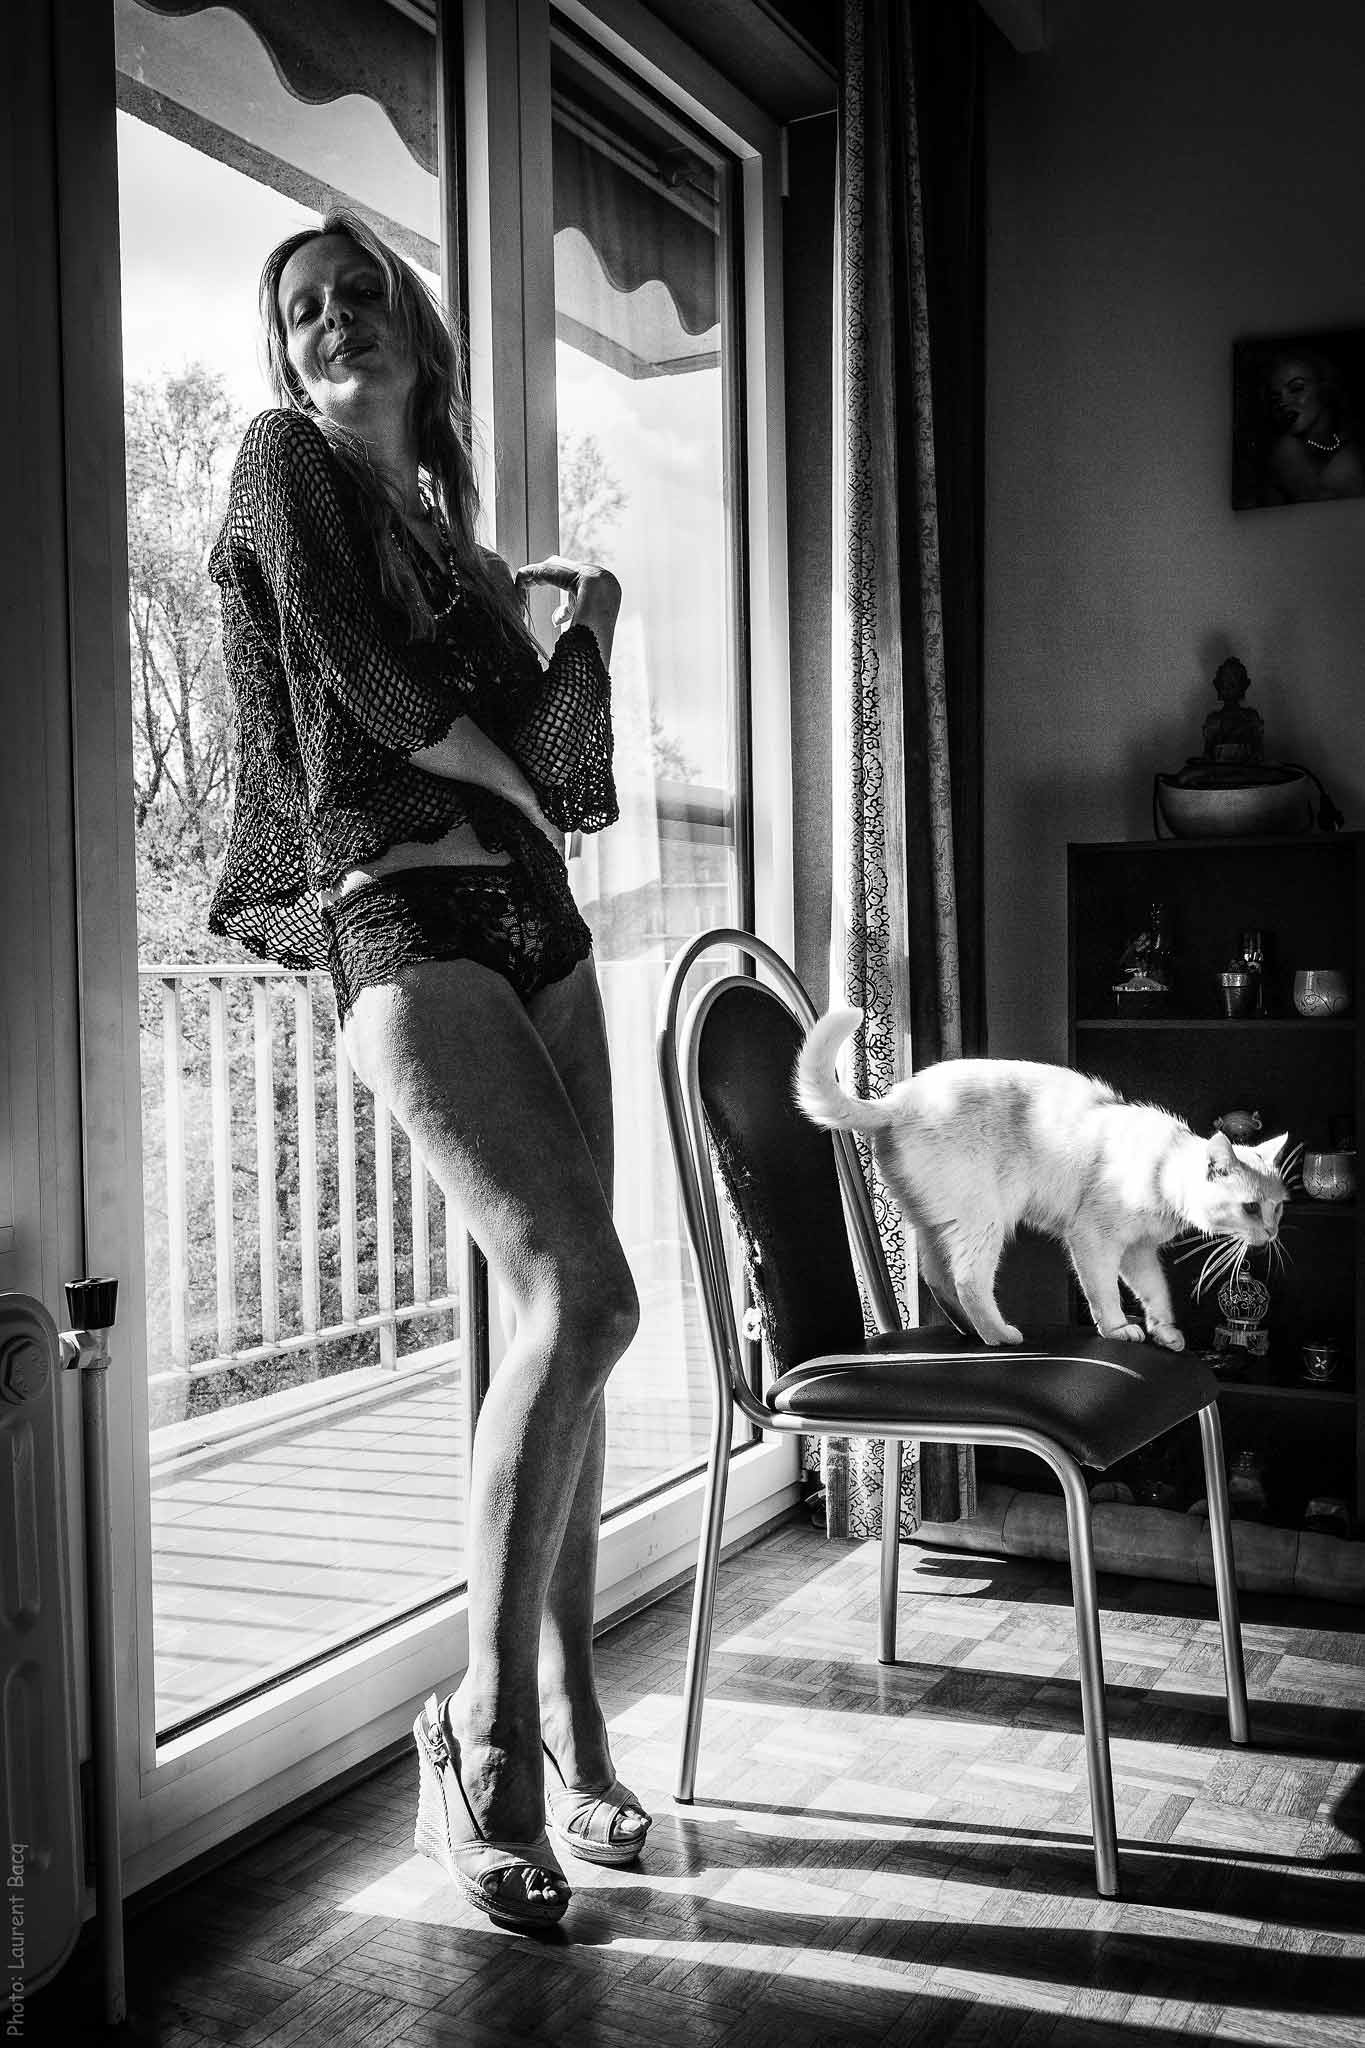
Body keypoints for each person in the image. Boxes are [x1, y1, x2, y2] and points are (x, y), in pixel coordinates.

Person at [207, 209, 648, 1932]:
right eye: (303, 308)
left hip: (545, 937)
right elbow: (368, 684)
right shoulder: (283, 465)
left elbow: (569, 774)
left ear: (414, 332)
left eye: (359, 295)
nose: (333, 322)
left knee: (568, 1335)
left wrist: (588, 621)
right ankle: (483, 1734)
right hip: (400, 921)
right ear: (284, 349)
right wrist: (515, 778)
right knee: (586, 1297)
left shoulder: (458, 550)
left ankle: (576, 1709)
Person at [1262, 350, 1364, 503]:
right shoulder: (1287, 450)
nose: (1283, 402)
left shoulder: (1350, 442)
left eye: (1296, 388)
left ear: (1323, 388)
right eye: (1276, 398)